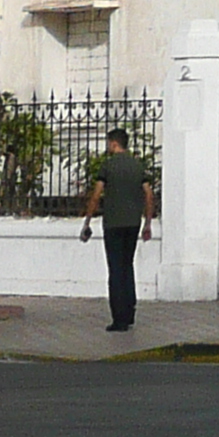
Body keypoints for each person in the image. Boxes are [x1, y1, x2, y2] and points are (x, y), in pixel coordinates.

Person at [79, 128, 153, 333]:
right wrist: (147, 222)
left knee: (116, 269)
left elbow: (96, 195)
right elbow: (148, 194)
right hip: (133, 223)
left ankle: (119, 318)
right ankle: (130, 312)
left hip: (113, 223)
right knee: (127, 266)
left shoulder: (108, 166)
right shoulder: (138, 166)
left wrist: (87, 221)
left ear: (113, 144)